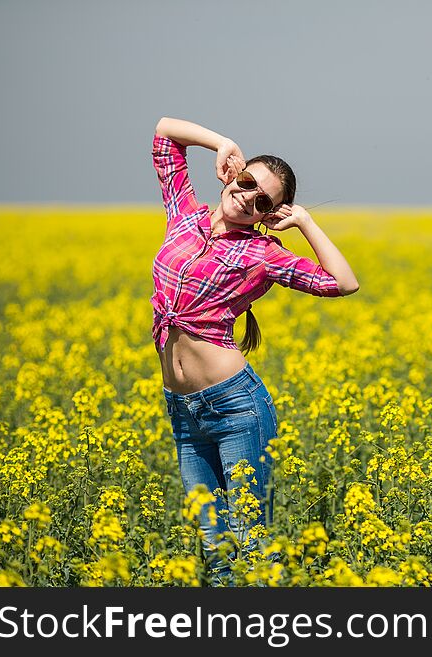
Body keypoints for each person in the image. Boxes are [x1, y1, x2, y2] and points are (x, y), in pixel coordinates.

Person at [151, 117, 359, 585]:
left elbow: (343, 283)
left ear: (270, 213)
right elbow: (165, 134)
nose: (247, 196)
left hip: (235, 406)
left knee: (248, 538)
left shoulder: (262, 255)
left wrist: (305, 221)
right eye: (247, 183)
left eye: (262, 200)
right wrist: (221, 142)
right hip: (183, 409)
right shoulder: (183, 213)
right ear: (232, 174)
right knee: (213, 543)